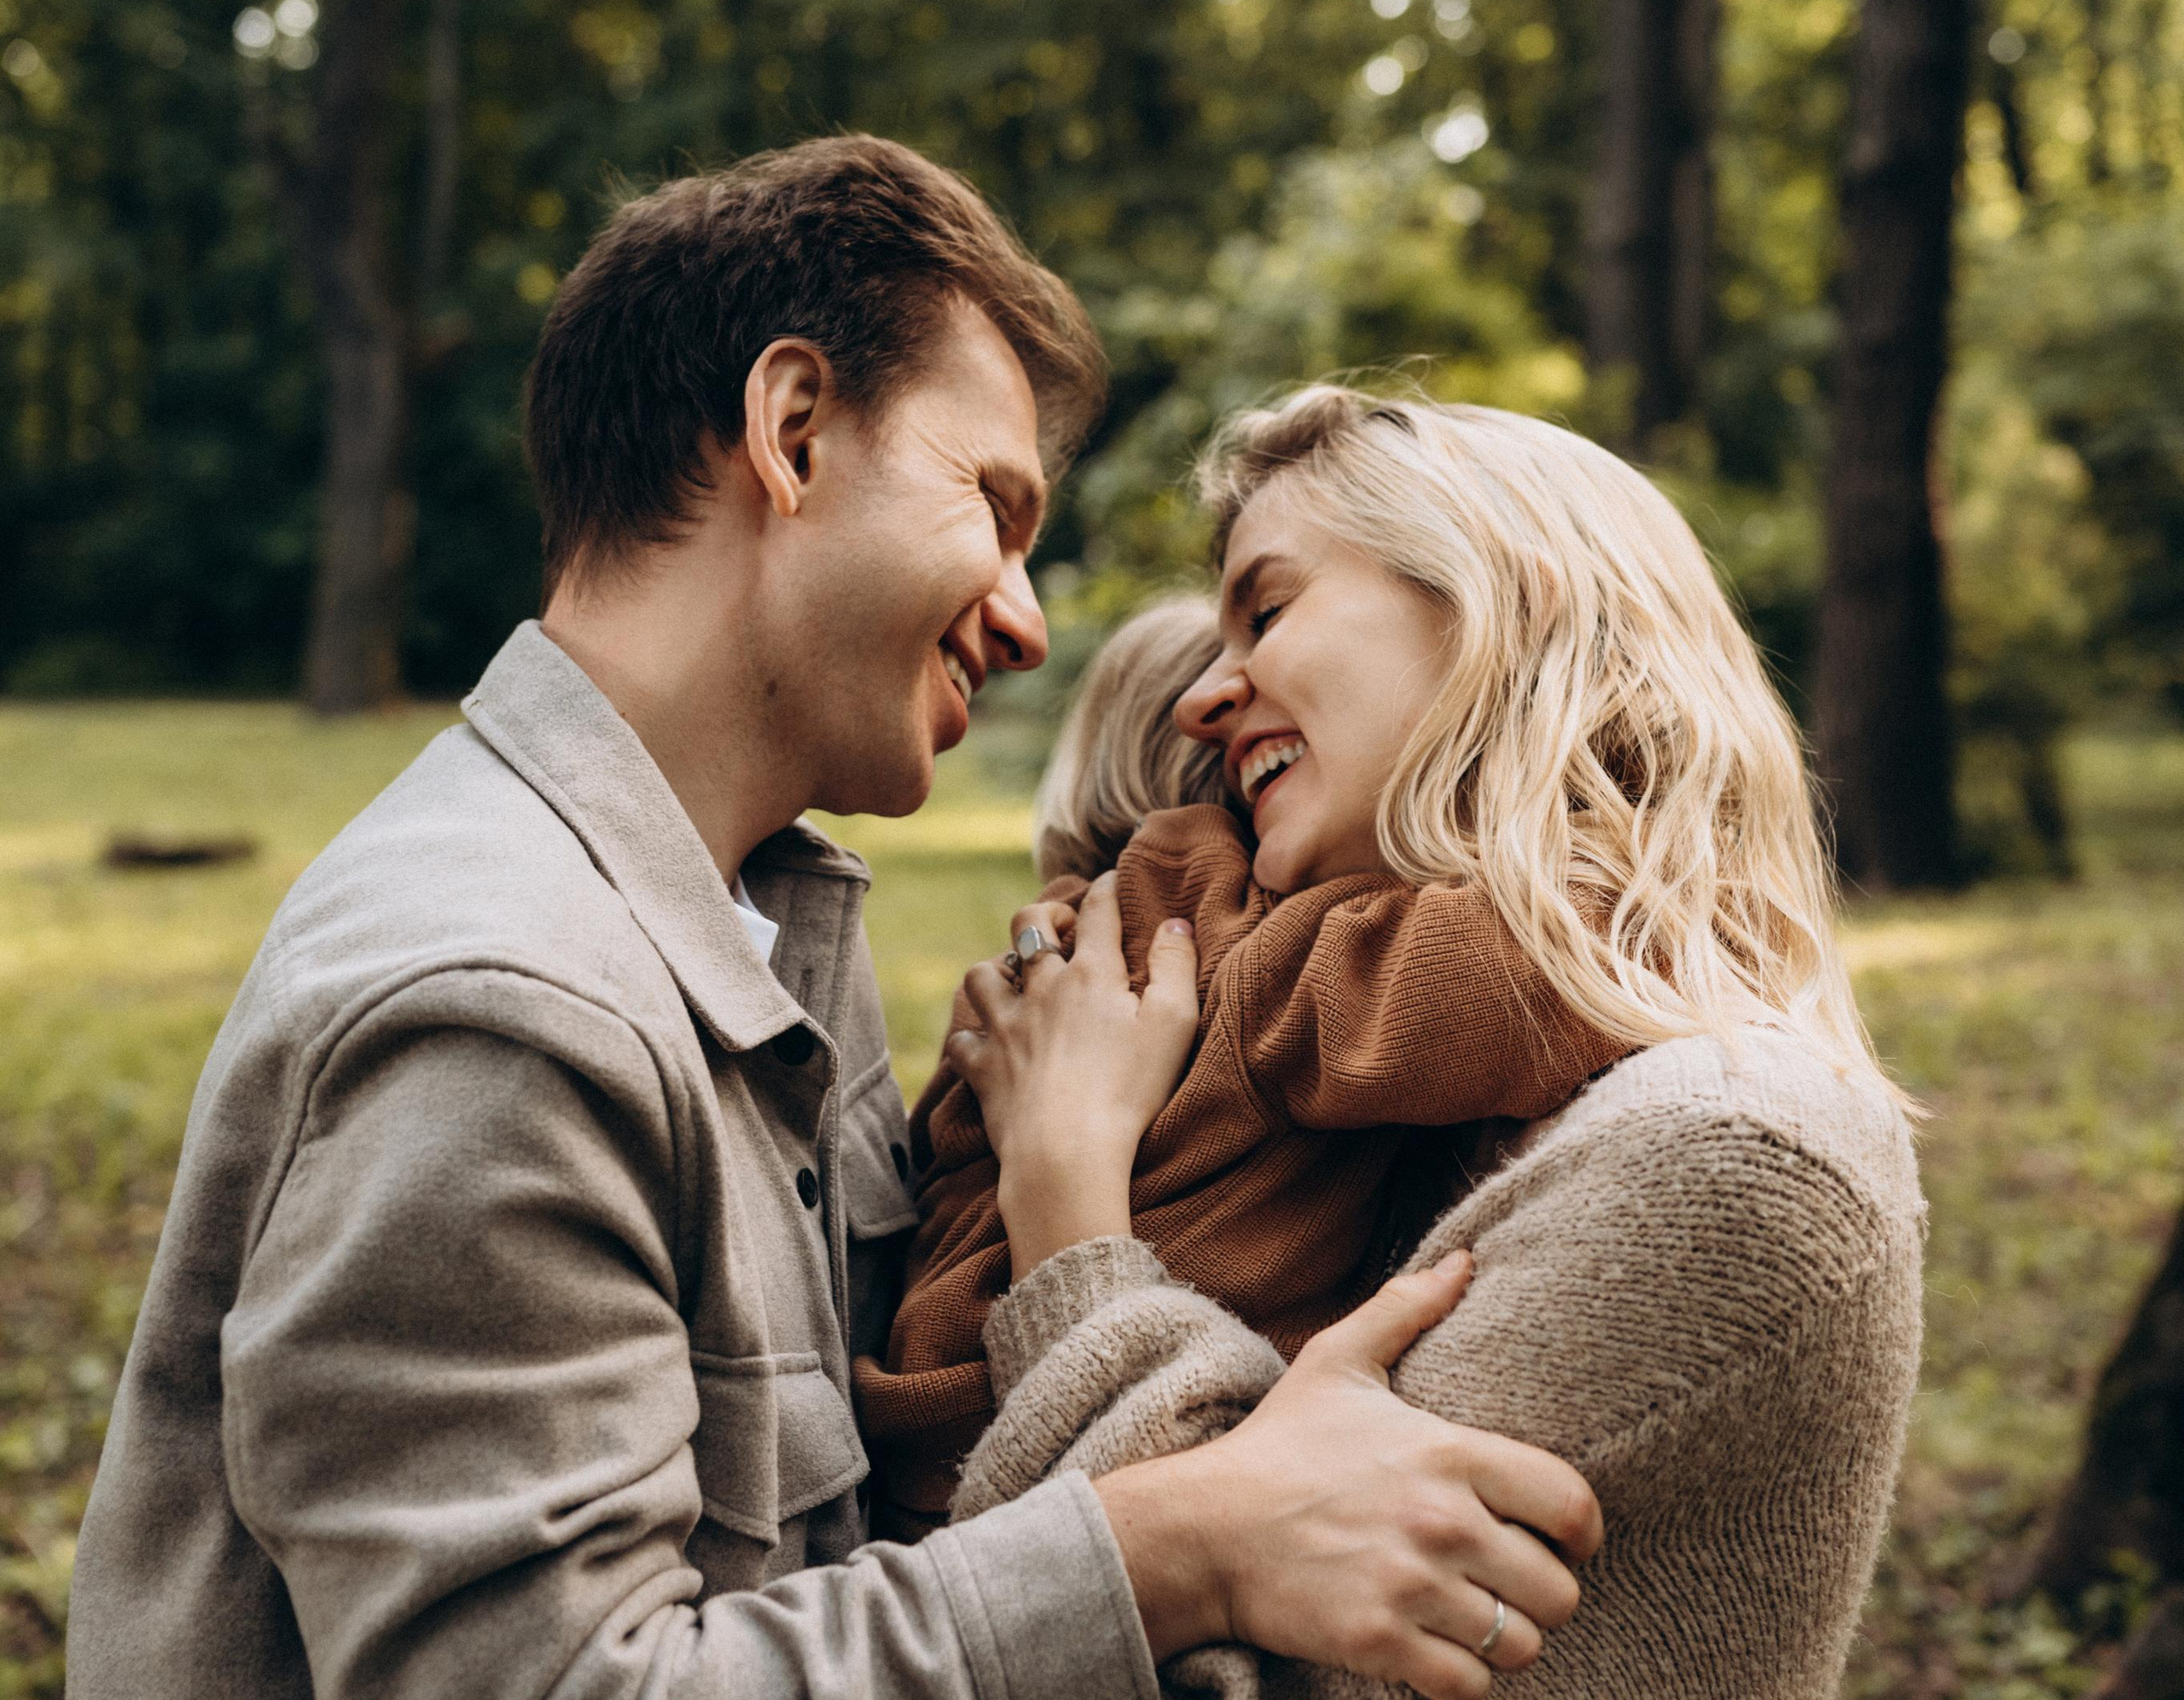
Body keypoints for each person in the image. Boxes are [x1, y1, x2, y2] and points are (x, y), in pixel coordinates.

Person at [67, 144, 1600, 1700]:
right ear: (791, 432)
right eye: (994, 507)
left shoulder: (759, 922)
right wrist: (1184, 1540)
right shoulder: (497, 1010)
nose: (1028, 621)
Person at [939, 386, 1926, 1700]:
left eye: (1266, 612)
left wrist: (1063, 1194)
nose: (1200, 702)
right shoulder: (1281, 960)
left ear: (1500, 600)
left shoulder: (1727, 1152)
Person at [855, 595, 1629, 1536]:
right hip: (1075, 1439)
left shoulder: (1044, 965)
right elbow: (1541, 975)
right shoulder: (1219, 934)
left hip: (926, 1454)